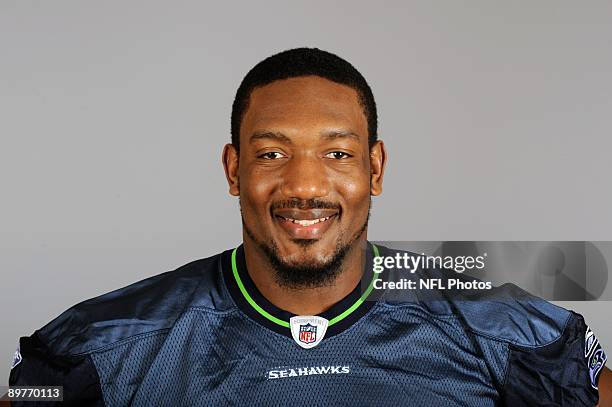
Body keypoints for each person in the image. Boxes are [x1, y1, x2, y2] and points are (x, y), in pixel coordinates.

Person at [8, 48, 610, 406]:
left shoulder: (499, 327)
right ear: (233, 168)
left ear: (374, 169)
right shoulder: (106, 345)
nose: (303, 186)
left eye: (337, 154)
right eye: (272, 154)